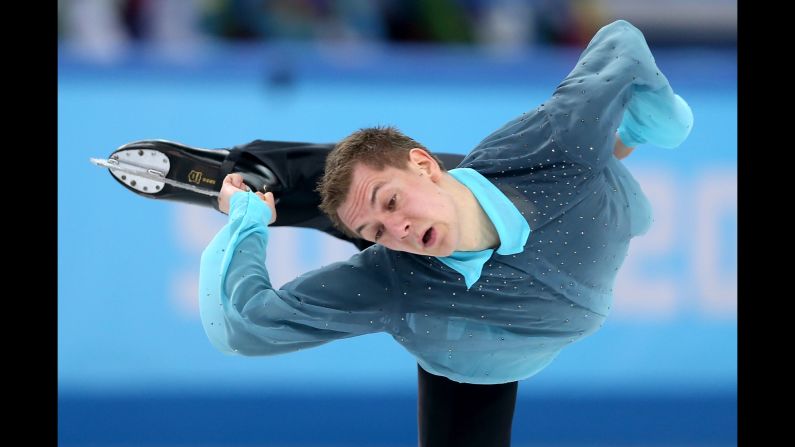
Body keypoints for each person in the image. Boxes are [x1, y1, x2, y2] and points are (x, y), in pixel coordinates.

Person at [101, 19, 692, 446]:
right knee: (361, 205)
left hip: (493, 321)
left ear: (425, 163)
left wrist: (665, 120)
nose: (399, 230)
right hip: (458, 337)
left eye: (393, 207)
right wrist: (246, 229)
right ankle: (259, 184)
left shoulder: (548, 147)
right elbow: (243, 326)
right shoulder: (394, 276)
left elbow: (621, 42)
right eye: (379, 230)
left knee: (376, 182)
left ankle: (273, 178)